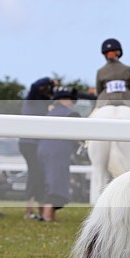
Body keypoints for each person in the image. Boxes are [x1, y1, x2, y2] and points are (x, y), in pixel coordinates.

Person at [36, 89, 81, 222]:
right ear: (66, 100)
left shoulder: (50, 113)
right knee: (57, 186)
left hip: (43, 150)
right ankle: (47, 217)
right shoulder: (71, 114)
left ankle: (47, 215)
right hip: (58, 152)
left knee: (50, 183)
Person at [18, 76, 58, 220]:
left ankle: (36, 210)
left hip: (37, 144)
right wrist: (50, 80)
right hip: (29, 144)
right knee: (35, 175)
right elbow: (35, 85)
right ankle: (29, 211)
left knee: (39, 176)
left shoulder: (44, 102)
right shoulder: (33, 97)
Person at [94, 38, 130, 116]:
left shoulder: (100, 71)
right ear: (118, 53)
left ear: (105, 55)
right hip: (127, 99)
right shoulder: (126, 68)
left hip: (105, 101)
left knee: (90, 118)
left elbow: (99, 91)